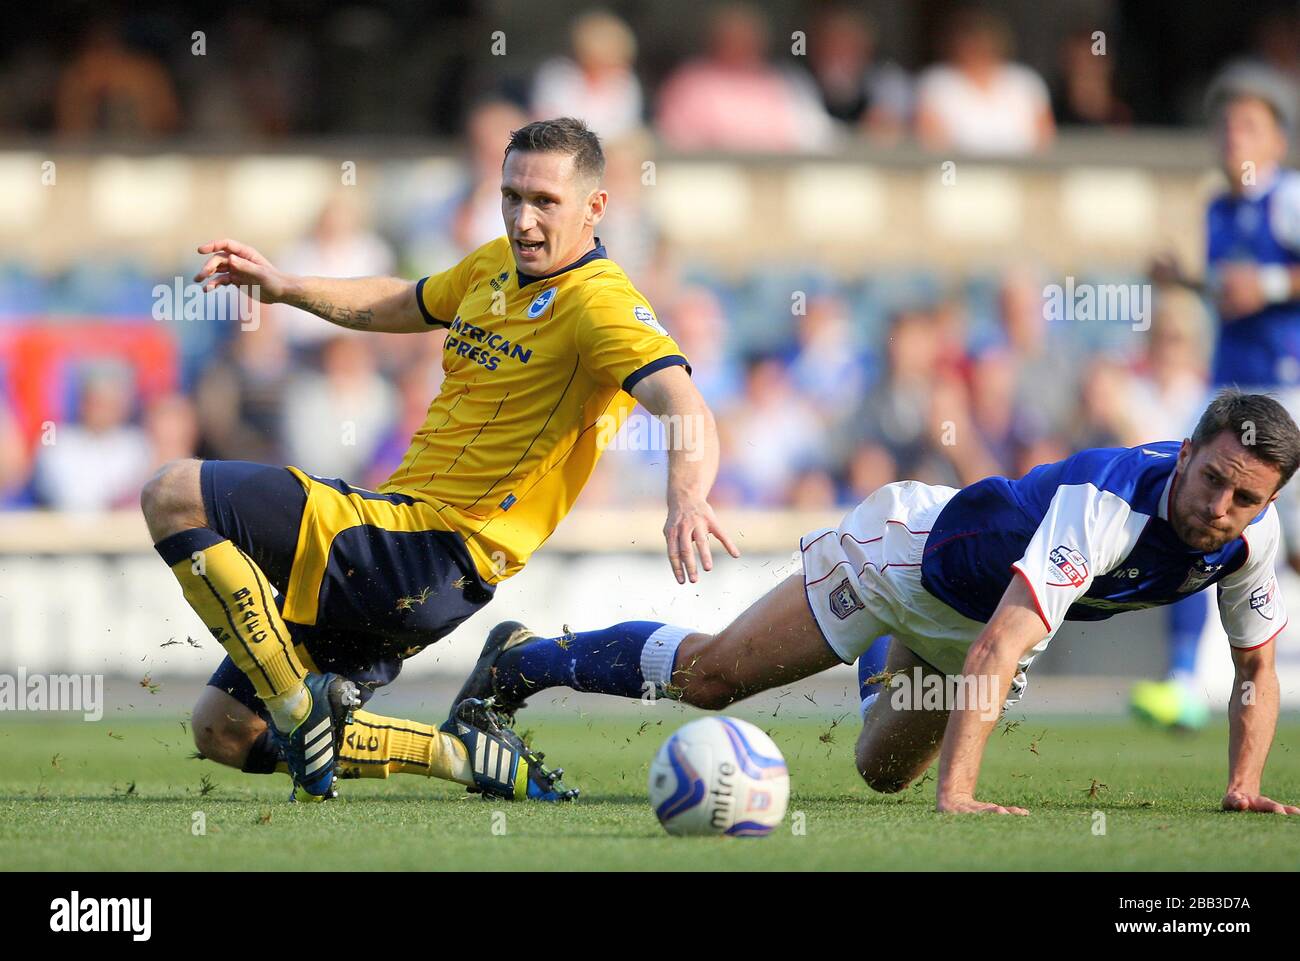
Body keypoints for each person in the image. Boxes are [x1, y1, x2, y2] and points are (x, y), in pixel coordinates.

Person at [139, 117, 736, 803]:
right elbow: (402, 300)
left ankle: (299, 707)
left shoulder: (601, 305)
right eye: (512, 196)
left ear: (595, 208)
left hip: (436, 544)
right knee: (223, 731)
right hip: (400, 548)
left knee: (173, 491)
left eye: (545, 201)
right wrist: (286, 288)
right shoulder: (491, 266)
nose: (523, 218)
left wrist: (687, 496)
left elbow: (685, 404)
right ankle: (461, 754)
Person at [454, 391, 1299, 816]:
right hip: (903, 557)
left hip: (976, 613)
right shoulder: (1107, 503)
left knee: (880, 771)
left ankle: (879, 660)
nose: (1219, 508)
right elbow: (1001, 649)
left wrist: (1243, 783)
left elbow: (1255, 664)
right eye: (1212, 479)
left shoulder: (1247, 540)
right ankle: (520, 661)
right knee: (711, 679)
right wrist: (961, 793)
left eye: (1245, 499)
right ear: (1185, 454)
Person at [1143, 62, 1300, 729]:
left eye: (1248, 124)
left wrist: (1264, 287)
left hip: (1289, 386)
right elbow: (1230, 292)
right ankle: (1181, 677)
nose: (1233, 135)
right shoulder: (1217, 207)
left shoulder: (1288, 196)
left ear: (1277, 141)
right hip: (1232, 393)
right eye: (1225, 124)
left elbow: (1264, 286)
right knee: (1192, 512)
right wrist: (1183, 284)